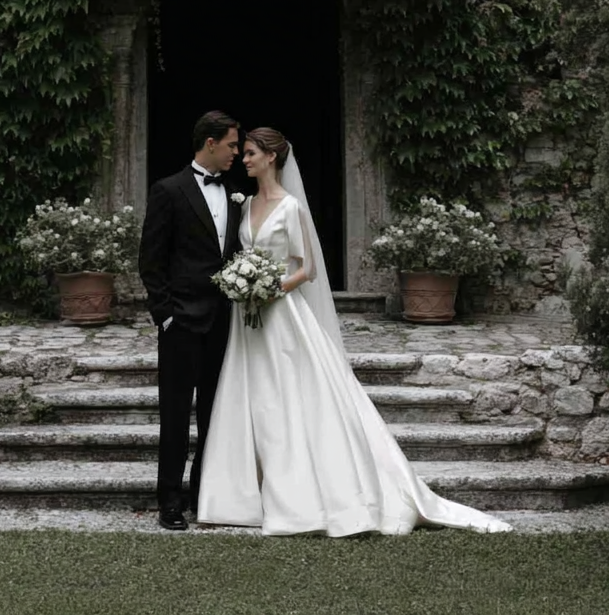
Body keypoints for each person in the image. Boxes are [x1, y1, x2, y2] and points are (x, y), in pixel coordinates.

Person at [197, 126, 514, 537]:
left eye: (252, 152)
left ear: (272, 157)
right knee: (249, 396)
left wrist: (269, 287)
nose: (245, 158)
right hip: (248, 320)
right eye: (244, 153)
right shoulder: (247, 203)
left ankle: (300, 497)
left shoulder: (291, 207)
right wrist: (243, 285)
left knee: (284, 400)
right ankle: (238, 497)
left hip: (281, 314)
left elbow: (306, 269)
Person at [138, 109, 242, 531]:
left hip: (225, 323)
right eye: (233, 144)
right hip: (181, 322)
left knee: (217, 415)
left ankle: (204, 494)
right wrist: (164, 316)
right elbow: (151, 260)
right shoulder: (169, 190)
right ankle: (169, 501)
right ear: (211, 143)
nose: (237, 152)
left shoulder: (236, 193)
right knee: (176, 415)